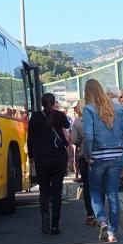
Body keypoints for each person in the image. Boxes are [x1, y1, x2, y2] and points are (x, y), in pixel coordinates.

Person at [82, 79, 123, 243]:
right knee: (113, 194)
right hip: (116, 155)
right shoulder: (118, 108)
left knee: (95, 192)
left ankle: (102, 220)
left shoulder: (88, 109)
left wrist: (88, 154)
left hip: (97, 156)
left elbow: (88, 135)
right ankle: (112, 232)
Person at [28, 93, 70, 235]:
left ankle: (45, 215)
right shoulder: (60, 115)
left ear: (41, 103)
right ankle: (55, 225)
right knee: (57, 191)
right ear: (53, 103)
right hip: (59, 158)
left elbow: (30, 138)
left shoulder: (35, 116)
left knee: (44, 190)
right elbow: (67, 125)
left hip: (42, 158)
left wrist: (31, 156)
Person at [68, 101, 96, 225]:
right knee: (98, 185)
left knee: (87, 185)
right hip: (98, 155)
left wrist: (80, 143)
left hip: (84, 156)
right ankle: (99, 213)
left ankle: (90, 214)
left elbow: (74, 139)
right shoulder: (97, 119)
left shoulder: (77, 122)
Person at [106, 87, 123, 192]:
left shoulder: (102, 108)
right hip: (119, 142)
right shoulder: (121, 108)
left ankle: (113, 184)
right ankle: (120, 182)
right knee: (118, 164)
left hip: (106, 143)